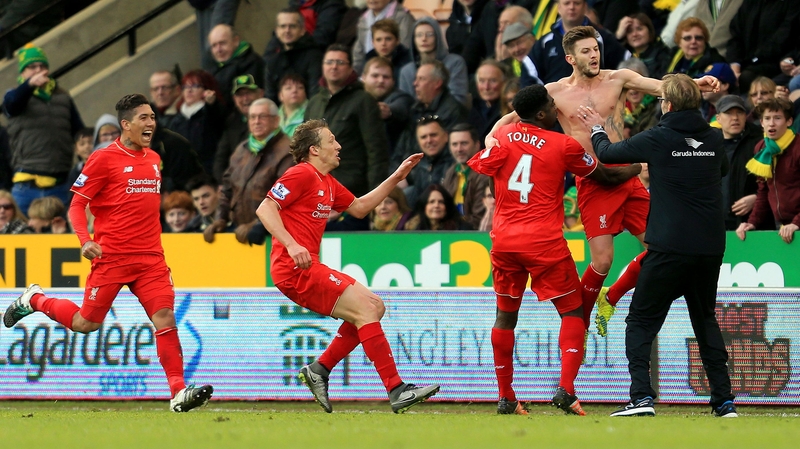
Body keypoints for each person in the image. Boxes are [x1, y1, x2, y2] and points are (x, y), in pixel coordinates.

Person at [486, 26, 721, 340]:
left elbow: (661, 87)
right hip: (593, 180)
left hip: (626, 174)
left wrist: (697, 84)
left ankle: (609, 299)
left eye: (595, 49)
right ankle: (580, 326)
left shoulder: (618, 78)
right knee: (603, 260)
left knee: (659, 248)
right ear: (570, 57)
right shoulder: (554, 91)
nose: (594, 55)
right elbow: (510, 119)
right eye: (585, 51)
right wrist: (491, 138)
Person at [2, 94, 214, 412]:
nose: (151, 123)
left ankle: (177, 392)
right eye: (144, 117)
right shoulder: (103, 159)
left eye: (153, 117)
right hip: (111, 258)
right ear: (125, 125)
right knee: (86, 323)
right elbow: (77, 204)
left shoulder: (155, 159)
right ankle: (35, 300)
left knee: (166, 318)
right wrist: (84, 240)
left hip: (150, 259)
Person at [469, 84, 641, 416]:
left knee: (505, 317)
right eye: (552, 104)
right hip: (544, 243)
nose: (557, 107)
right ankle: (566, 389)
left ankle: (506, 396)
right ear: (542, 114)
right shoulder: (564, 145)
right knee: (573, 312)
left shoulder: (502, 136)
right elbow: (604, 176)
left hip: (503, 242)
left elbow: (484, 166)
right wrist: (637, 168)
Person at [577, 73, 737, 418]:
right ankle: (724, 402)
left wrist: (595, 126)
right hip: (710, 246)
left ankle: (641, 398)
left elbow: (607, 152)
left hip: (669, 246)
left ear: (667, 104)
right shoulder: (713, 137)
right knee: (705, 319)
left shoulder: (659, 137)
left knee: (640, 322)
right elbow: (720, 168)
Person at [255, 119, 439, 413]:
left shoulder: (326, 182)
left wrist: (397, 176)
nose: (338, 146)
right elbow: (265, 208)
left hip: (307, 266)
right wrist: (291, 244)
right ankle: (396, 389)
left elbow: (359, 207)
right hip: (293, 269)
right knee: (367, 309)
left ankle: (320, 369)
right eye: (332, 141)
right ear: (314, 149)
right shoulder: (300, 174)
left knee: (374, 307)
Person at [305, 44, 389, 231]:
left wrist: (372, 199)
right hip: (318, 198)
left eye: (340, 62)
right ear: (323, 66)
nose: (334, 66)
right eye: (329, 62)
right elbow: (304, 153)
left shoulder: (363, 101)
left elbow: (376, 151)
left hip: (353, 197)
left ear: (351, 68)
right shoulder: (314, 103)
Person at [4, 44, 85, 216]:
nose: (39, 70)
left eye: (42, 66)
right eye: (32, 67)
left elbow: (79, 132)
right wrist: (29, 86)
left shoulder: (63, 97)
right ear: (23, 73)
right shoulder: (15, 95)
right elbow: (11, 104)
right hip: (26, 186)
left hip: (61, 184)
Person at [205, 98, 294, 245]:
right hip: (239, 231)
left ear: (276, 120)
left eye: (262, 116)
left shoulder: (288, 151)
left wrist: (257, 224)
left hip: (273, 237)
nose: (256, 121)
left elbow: (285, 198)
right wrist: (220, 218)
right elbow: (227, 188)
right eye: (252, 117)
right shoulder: (242, 149)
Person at [736, 98, 800, 244]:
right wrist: (752, 222)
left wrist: (797, 223)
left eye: (777, 118)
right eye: (767, 118)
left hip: (796, 223)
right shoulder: (761, 148)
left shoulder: (798, 147)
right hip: (782, 225)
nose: (771, 123)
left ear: (789, 122)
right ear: (762, 123)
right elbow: (764, 191)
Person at [164, 69, 226, 175]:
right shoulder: (176, 120)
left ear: (207, 90)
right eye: (185, 87)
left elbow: (215, 117)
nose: (189, 91)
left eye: (195, 86)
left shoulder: (211, 113)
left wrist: (211, 104)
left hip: (208, 174)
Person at [397, 17, 469, 107]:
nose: (424, 39)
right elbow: (404, 103)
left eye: (430, 34)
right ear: (413, 40)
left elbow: (458, 99)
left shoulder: (455, 62)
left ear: (437, 37)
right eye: (419, 35)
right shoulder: (407, 70)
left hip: (448, 116)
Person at [715, 95, 761, 231]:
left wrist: (756, 198)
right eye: (728, 113)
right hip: (716, 224)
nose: (735, 118)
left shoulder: (759, 142)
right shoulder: (709, 145)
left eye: (739, 113)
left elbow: (774, 182)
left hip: (750, 225)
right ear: (718, 119)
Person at [262, 9, 323, 103]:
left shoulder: (314, 57)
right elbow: (270, 99)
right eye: (283, 26)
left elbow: (315, 96)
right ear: (277, 31)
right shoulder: (272, 60)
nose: (287, 30)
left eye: (292, 26)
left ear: (302, 30)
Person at [214, 74, 264, 182]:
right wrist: (223, 184)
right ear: (234, 99)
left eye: (249, 93)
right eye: (240, 95)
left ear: (260, 94)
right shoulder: (231, 122)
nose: (245, 98)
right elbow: (221, 159)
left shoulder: (271, 118)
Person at [362, 56, 414, 158]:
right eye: (375, 76)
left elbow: (400, 109)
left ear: (393, 81)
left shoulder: (402, 97)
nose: (381, 80)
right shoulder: (355, 97)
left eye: (386, 77)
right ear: (363, 78)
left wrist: (388, 112)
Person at [206, 24, 265, 109]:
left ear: (236, 41)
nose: (218, 50)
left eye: (222, 43)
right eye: (214, 45)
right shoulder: (213, 68)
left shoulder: (251, 62)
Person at [443, 123, 491, 229]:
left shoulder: (485, 174)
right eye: (454, 144)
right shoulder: (451, 172)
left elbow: (478, 217)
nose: (459, 149)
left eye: (464, 143)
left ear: (477, 145)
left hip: (472, 234)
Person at [351, 0, 414, 74]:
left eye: (388, 39)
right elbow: (359, 52)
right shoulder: (363, 19)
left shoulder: (403, 17)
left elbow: (405, 48)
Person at [614, 13, 671, 80]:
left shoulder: (663, 54)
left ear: (649, 31)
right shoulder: (624, 54)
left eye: (639, 29)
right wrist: (618, 36)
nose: (635, 34)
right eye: (630, 31)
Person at [403, 183, 472, 230]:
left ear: (447, 206)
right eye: (432, 202)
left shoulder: (462, 228)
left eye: (441, 202)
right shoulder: (413, 229)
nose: (436, 205)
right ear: (424, 206)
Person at [277, 73, 309, 138]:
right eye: (288, 88)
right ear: (280, 95)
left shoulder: (311, 113)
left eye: (300, 88)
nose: (294, 90)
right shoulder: (273, 116)